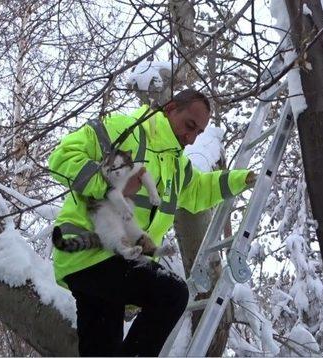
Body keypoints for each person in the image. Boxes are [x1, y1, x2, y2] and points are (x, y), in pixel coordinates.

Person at [48, 89, 256, 356]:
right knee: (172, 294)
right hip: (91, 253)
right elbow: (61, 157)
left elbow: (198, 191)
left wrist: (242, 179)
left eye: (198, 133)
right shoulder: (124, 129)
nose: (190, 138)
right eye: (189, 126)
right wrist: (110, 186)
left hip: (109, 265)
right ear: (170, 108)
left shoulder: (175, 166)